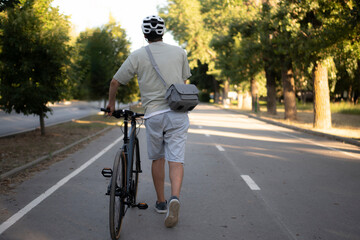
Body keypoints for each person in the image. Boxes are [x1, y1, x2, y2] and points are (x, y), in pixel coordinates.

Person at [106, 15, 191, 228]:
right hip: (178, 113)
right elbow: (183, 82)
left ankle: (161, 203)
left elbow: (115, 81)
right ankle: (175, 198)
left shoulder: (138, 55)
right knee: (176, 159)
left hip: (153, 115)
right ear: (163, 32)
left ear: (145, 35)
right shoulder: (180, 52)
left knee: (158, 158)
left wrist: (111, 105)